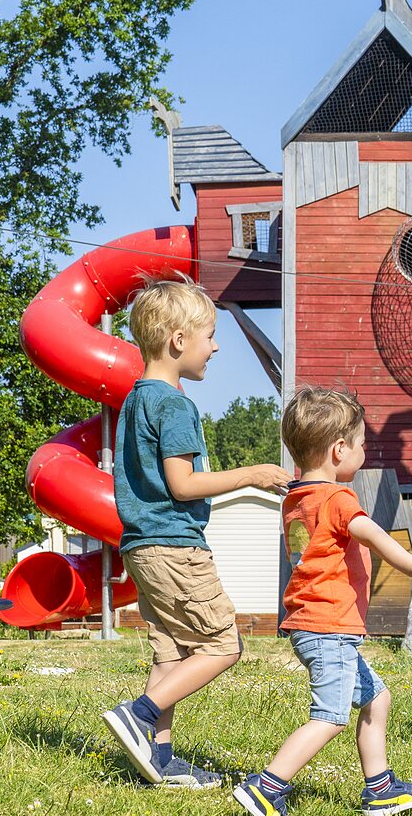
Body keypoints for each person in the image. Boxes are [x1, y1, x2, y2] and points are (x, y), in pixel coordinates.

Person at [101, 276, 291, 788]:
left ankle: (158, 759)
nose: (216, 345)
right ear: (178, 340)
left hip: (141, 545)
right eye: (209, 335)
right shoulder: (175, 404)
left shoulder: (136, 401)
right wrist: (253, 474)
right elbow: (183, 485)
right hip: (175, 545)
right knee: (222, 645)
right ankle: (139, 714)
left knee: (172, 652)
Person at [233, 387, 412, 816]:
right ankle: (266, 787)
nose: (364, 451)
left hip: (313, 627)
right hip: (329, 629)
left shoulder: (297, 498)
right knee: (329, 718)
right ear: (339, 450)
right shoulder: (339, 499)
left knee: (377, 698)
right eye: (361, 444)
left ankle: (380, 789)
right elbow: (374, 534)